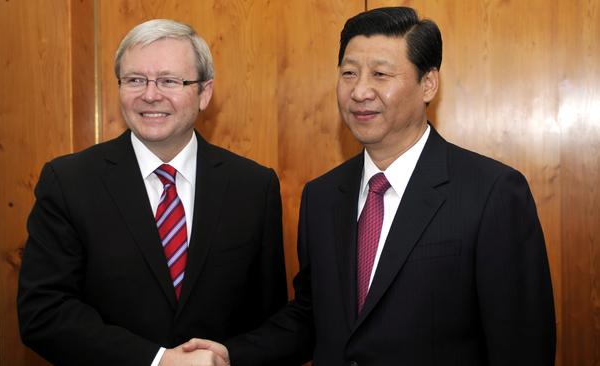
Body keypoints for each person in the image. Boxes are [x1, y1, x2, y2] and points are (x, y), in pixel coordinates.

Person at [184, 6, 556, 365]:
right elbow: (313, 317)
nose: (360, 91)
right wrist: (231, 354)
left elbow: (521, 345)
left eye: (380, 74)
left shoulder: (492, 192)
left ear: (428, 83)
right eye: (349, 74)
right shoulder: (323, 196)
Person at [17, 19, 289, 366]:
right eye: (134, 80)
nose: (149, 94)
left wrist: (230, 358)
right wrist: (158, 360)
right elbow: (44, 312)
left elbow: (270, 323)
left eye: (169, 81)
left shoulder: (253, 186)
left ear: (204, 92)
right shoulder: (68, 181)